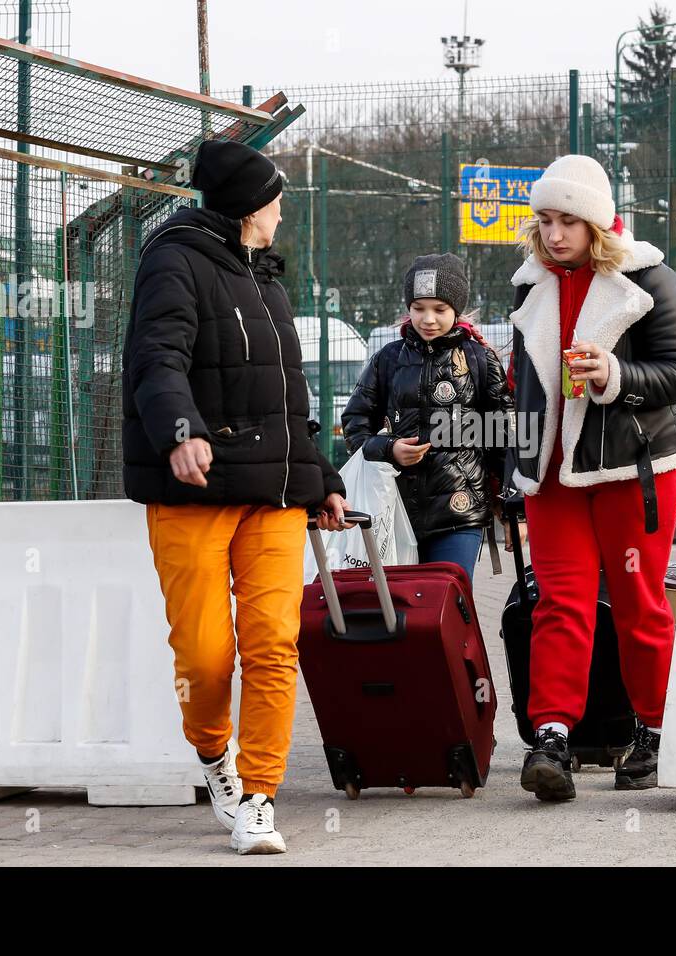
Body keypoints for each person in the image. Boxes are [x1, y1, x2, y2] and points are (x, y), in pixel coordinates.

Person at [121, 139, 350, 855]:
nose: (283, 211)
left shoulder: (270, 285)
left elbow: (289, 402)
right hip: (197, 490)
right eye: (277, 198)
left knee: (273, 645)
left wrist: (323, 476)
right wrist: (180, 433)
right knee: (205, 656)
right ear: (253, 204)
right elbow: (155, 358)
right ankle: (214, 753)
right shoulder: (174, 261)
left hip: (276, 495)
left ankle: (258, 795)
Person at [505, 154, 676, 801]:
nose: (554, 234)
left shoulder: (649, 275)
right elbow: (523, 385)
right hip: (553, 477)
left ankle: (656, 731)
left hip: (631, 469)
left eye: (568, 221)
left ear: (596, 222)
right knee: (557, 604)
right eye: (545, 221)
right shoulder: (530, 283)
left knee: (639, 607)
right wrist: (515, 464)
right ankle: (553, 738)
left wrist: (616, 378)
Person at [342, 254, 512, 581]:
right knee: (405, 610)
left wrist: (512, 510)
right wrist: (387, 448)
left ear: (457, 309)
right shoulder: (387, 360)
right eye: (419, 308)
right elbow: (355, 421)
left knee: (449, 604)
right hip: (397, 511)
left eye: (440, 309)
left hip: (460, 512)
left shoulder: (479, 359)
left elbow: (505, 434)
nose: (428, 319)